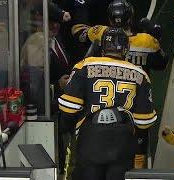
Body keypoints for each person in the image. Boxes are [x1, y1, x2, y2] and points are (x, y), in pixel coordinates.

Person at [77, 0, 167, 169]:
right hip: (135, 107)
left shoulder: (101, 33)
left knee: (102, 157)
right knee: (137, 155)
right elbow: (162, 64)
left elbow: (81, 35)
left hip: (103, 107)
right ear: (130, 17)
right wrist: (156, 37)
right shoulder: (146, 41)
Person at [58, 27, 157, 180]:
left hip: (90, 137)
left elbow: (68, 108)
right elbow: (144, 122)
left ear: (103, 47)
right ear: (126, 49)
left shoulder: (84, 65)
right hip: (122, 140)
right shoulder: (140, 74)